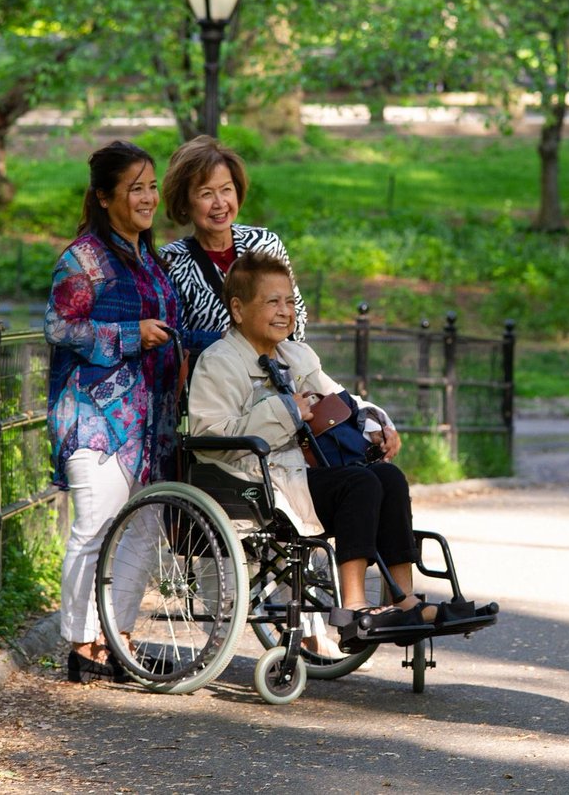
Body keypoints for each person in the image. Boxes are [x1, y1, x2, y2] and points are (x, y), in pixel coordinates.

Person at [186, 251, 436, 654]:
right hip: (254, 479)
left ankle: (402, 600)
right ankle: (353, 608)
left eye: (289, 301)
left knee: (388, 477)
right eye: (272, 302)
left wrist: (377, 426)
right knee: (358, 484)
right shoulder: (219, 363)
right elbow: (212, 435)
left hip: (305, 468)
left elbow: (343, 401)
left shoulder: (296, 355)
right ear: (238, 308)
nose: (285, 312)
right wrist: (284, 411)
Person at [45, 141, 203, 683]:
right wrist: (129, 335)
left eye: (152, 186)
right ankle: (81, 645)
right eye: (135, 188)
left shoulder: (152, 261)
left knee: (142, 528)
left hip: (151, 421)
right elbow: (61, 328)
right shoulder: (83, 258)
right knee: (95, 527)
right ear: (104, 197)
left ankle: (119, 640)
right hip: (94, 416)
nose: (148, 197)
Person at [159, 135, 308, 339]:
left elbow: (296, 313)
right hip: (211, 370)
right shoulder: (170, 262)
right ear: (184, 203)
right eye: (206, 194)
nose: (220, 203)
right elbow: (174, 339)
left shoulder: (265, 244)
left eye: (226, 190)